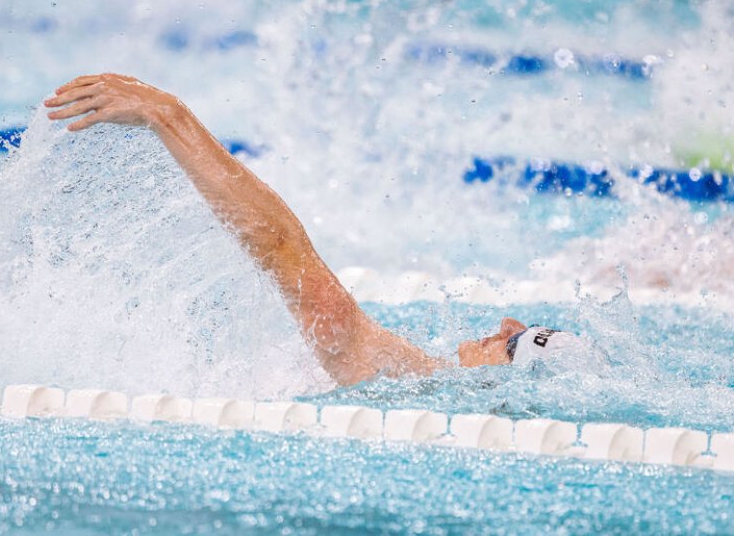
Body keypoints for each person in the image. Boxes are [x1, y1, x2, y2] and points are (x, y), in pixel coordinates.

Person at [44, 74, 573, 386]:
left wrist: (169, 116)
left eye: (514, 343)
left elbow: (291, 262)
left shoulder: (414, 388)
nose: (504, 325)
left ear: (504, 382)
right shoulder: (428, 387)